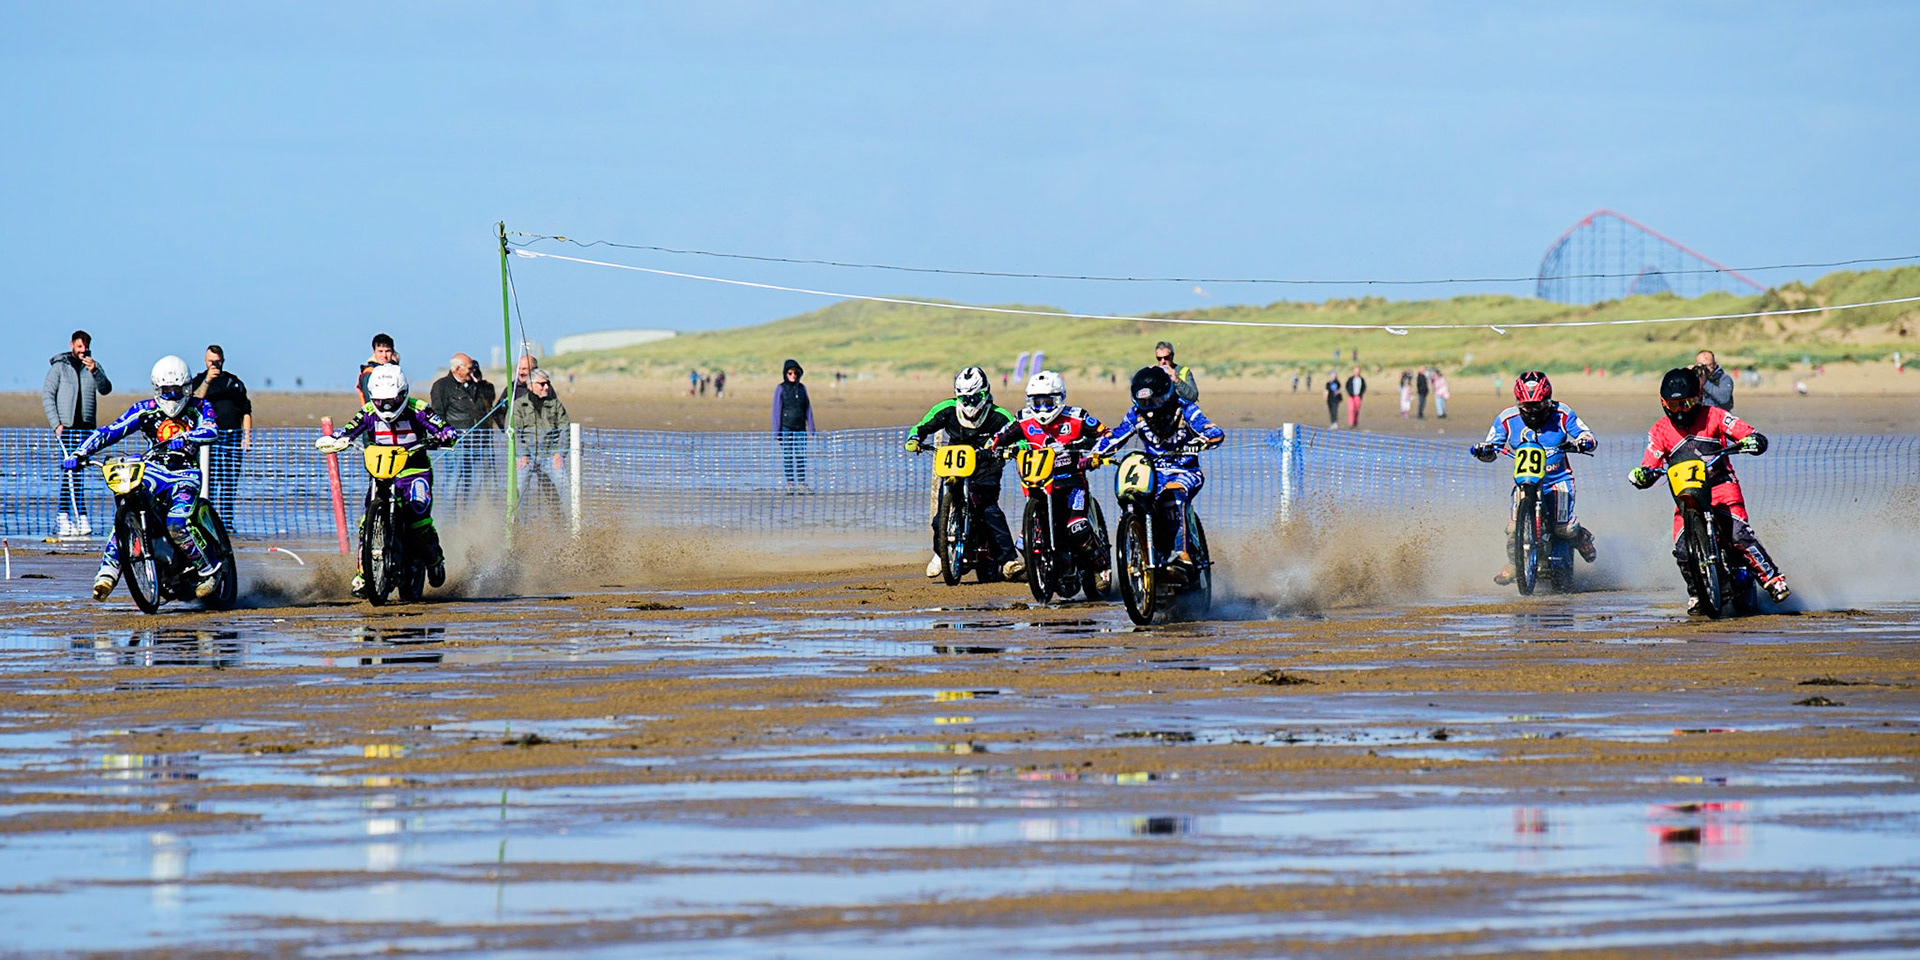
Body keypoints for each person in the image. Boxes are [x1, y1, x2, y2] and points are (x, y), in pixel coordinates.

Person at [1629, 367, 1791, 610]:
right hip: (1686, 497)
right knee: (1682, 549)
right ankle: (1696, 593)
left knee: (1738, 534)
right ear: (1663, 403)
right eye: (1673, 405)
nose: (1680, 411)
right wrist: (1642, 474)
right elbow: (1649, 464)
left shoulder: (1715, 415)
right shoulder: (1659, 430)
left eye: (1686, 403)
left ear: (1698, 398)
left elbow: (1745, 432)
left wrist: (1752, 440)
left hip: (1721, 486)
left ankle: (1772, 579)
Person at [62, 357, 220, 600]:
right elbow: (110, 431)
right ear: (157, 389)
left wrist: (189, 438)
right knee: (128, 510)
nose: (171, 397)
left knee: (177, 522)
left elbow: (211, 429)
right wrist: (80, 452)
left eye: (177, 391)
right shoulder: (144, 409)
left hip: (185, 474)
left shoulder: (199, 407)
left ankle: (208, 569)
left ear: (187, 388)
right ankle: (107, 572)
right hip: (153, 471)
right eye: (166, 391)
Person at [314, 365, 456, 597]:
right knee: (364, 522)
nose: (386, 407)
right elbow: (348, 430)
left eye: (391, 400)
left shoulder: (419, 409)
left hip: (414, 471)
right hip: (381, 472)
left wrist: (444, 436)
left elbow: (444, 428)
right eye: (381, 401)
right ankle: (363, 574)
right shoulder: (369, 411)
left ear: (402, 393)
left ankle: (434, 559)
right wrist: (336, 439)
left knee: (418, 518)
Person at [984, 370, 1110, 592]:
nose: (1042, 408)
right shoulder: (1024, 419)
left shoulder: (1077, 417)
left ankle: (1101, 568)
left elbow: (1105, 435)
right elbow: (999, 437)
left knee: (1077, 529)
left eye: (1048, 402)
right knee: (1025, 541)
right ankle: (1047, 571)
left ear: (1060, 398)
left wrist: (1090, 450)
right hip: (1038, 486)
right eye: (1037, 402)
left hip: (1072, 484)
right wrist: (991, 449)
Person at [1471, 371, 1599, 585]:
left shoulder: (1563, 413)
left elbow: (1587, 435)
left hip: (1558, 480)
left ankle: (1582, 537)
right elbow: (1492, 447)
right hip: (1524, 482)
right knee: (1512, 529)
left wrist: (1583, 442)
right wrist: (1484, 451)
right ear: (1519, 402)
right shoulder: (1506, 419)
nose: (1532, 411)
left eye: (1538, 405)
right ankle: (1514, 564)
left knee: (1564, 527)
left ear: (1548, 401)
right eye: (1527, 406)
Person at [1089, 366, 1225, 568]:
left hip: (1185, 471)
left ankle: (1183, 555)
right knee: (1132, 497)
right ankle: (1140, 551)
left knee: (1174, 496)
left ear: (1167, 394)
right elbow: (1116, 436)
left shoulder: (1185, 408)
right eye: (1144, 402)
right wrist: (1095, 453)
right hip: (1153, 473)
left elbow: (1213, 430)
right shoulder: (1136, 414)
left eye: (1155, 401)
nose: (1150, 407)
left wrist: (1202, 440)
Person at [903, 366, 1023, 580]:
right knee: (941, 516)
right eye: (964, 399)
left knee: (989, 511)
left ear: (985, 392)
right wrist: (915, 439)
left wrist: (1015, 449)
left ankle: (1008, 561)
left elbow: (1020, 437)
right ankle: (940, 554)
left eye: (975, 397)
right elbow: (922, 426)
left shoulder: (999, 416)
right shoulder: (947, 409)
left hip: (987, 467)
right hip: (955, 466)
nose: (970, 404)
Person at [42, 330, 113, 537]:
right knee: (69, 472)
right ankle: (64, 516)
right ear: (72, 345)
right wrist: (56, 423)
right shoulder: (59, 368)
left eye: (86, 347)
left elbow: (106, 388)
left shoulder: (93, 366)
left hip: (86, 428)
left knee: (79, 472)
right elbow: (47, 396)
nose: (83, 351)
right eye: (80, 346)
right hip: (67, 428)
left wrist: (95, 372)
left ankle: (80, 516)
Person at [187, 345, 253, 531]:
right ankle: (207, 522)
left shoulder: (235, 383)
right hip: (208, 443)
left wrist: (246, 437)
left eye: (217, 361)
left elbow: (246, 412)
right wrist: (208, 380)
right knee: (208, 482)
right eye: (211, 361)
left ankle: (227, 523)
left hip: (232, 440)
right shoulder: (199, 381)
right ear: (205, 360)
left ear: (223, 360)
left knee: (229, 482)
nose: (214, 364)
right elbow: (194, 402)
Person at [430, 353, 501, 503]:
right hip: (456, 442)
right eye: (469, 368)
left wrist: (478, 381)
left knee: (474, 484)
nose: (471, 371)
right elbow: (438, 413)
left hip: (477, 441)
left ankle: (468, 519)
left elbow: (490, 396)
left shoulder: (476, 386)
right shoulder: (441, 386)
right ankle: (450, 521)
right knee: (452, 483)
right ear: (457, 368)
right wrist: (445, 433)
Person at [512, 369, 572, 522]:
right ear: (531, 385)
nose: (546, 387)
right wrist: (522, 454)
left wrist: (559, 452)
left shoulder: (555, 405)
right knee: (519, 490)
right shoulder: (519, 406)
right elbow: (514, 433)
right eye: (542, 384)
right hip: (527, 456)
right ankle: (518, 525)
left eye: (548, 384)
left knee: (565, 487)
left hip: (549, 455)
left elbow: (565, 429)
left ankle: (569, 523)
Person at [772, 359, 816, 488]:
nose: (793, 375)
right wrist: (776, 431)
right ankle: (790, 483)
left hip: (800, 428)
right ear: (785, 374)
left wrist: (812, 429)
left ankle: (802, 482)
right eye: (790, 373)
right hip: (786, 427)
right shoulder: (780, 388)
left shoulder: (802, 389)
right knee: (788, 456)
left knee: (800, 455)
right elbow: (776, 410)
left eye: (795, 373)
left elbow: (808, 409)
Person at [356, 333, 398, 403]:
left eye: (387, 351)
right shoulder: (369, 373)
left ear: (392, 352)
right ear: (374, 352)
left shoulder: (396, 371)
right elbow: (368, 400)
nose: (384, 355)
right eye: (380, 351)